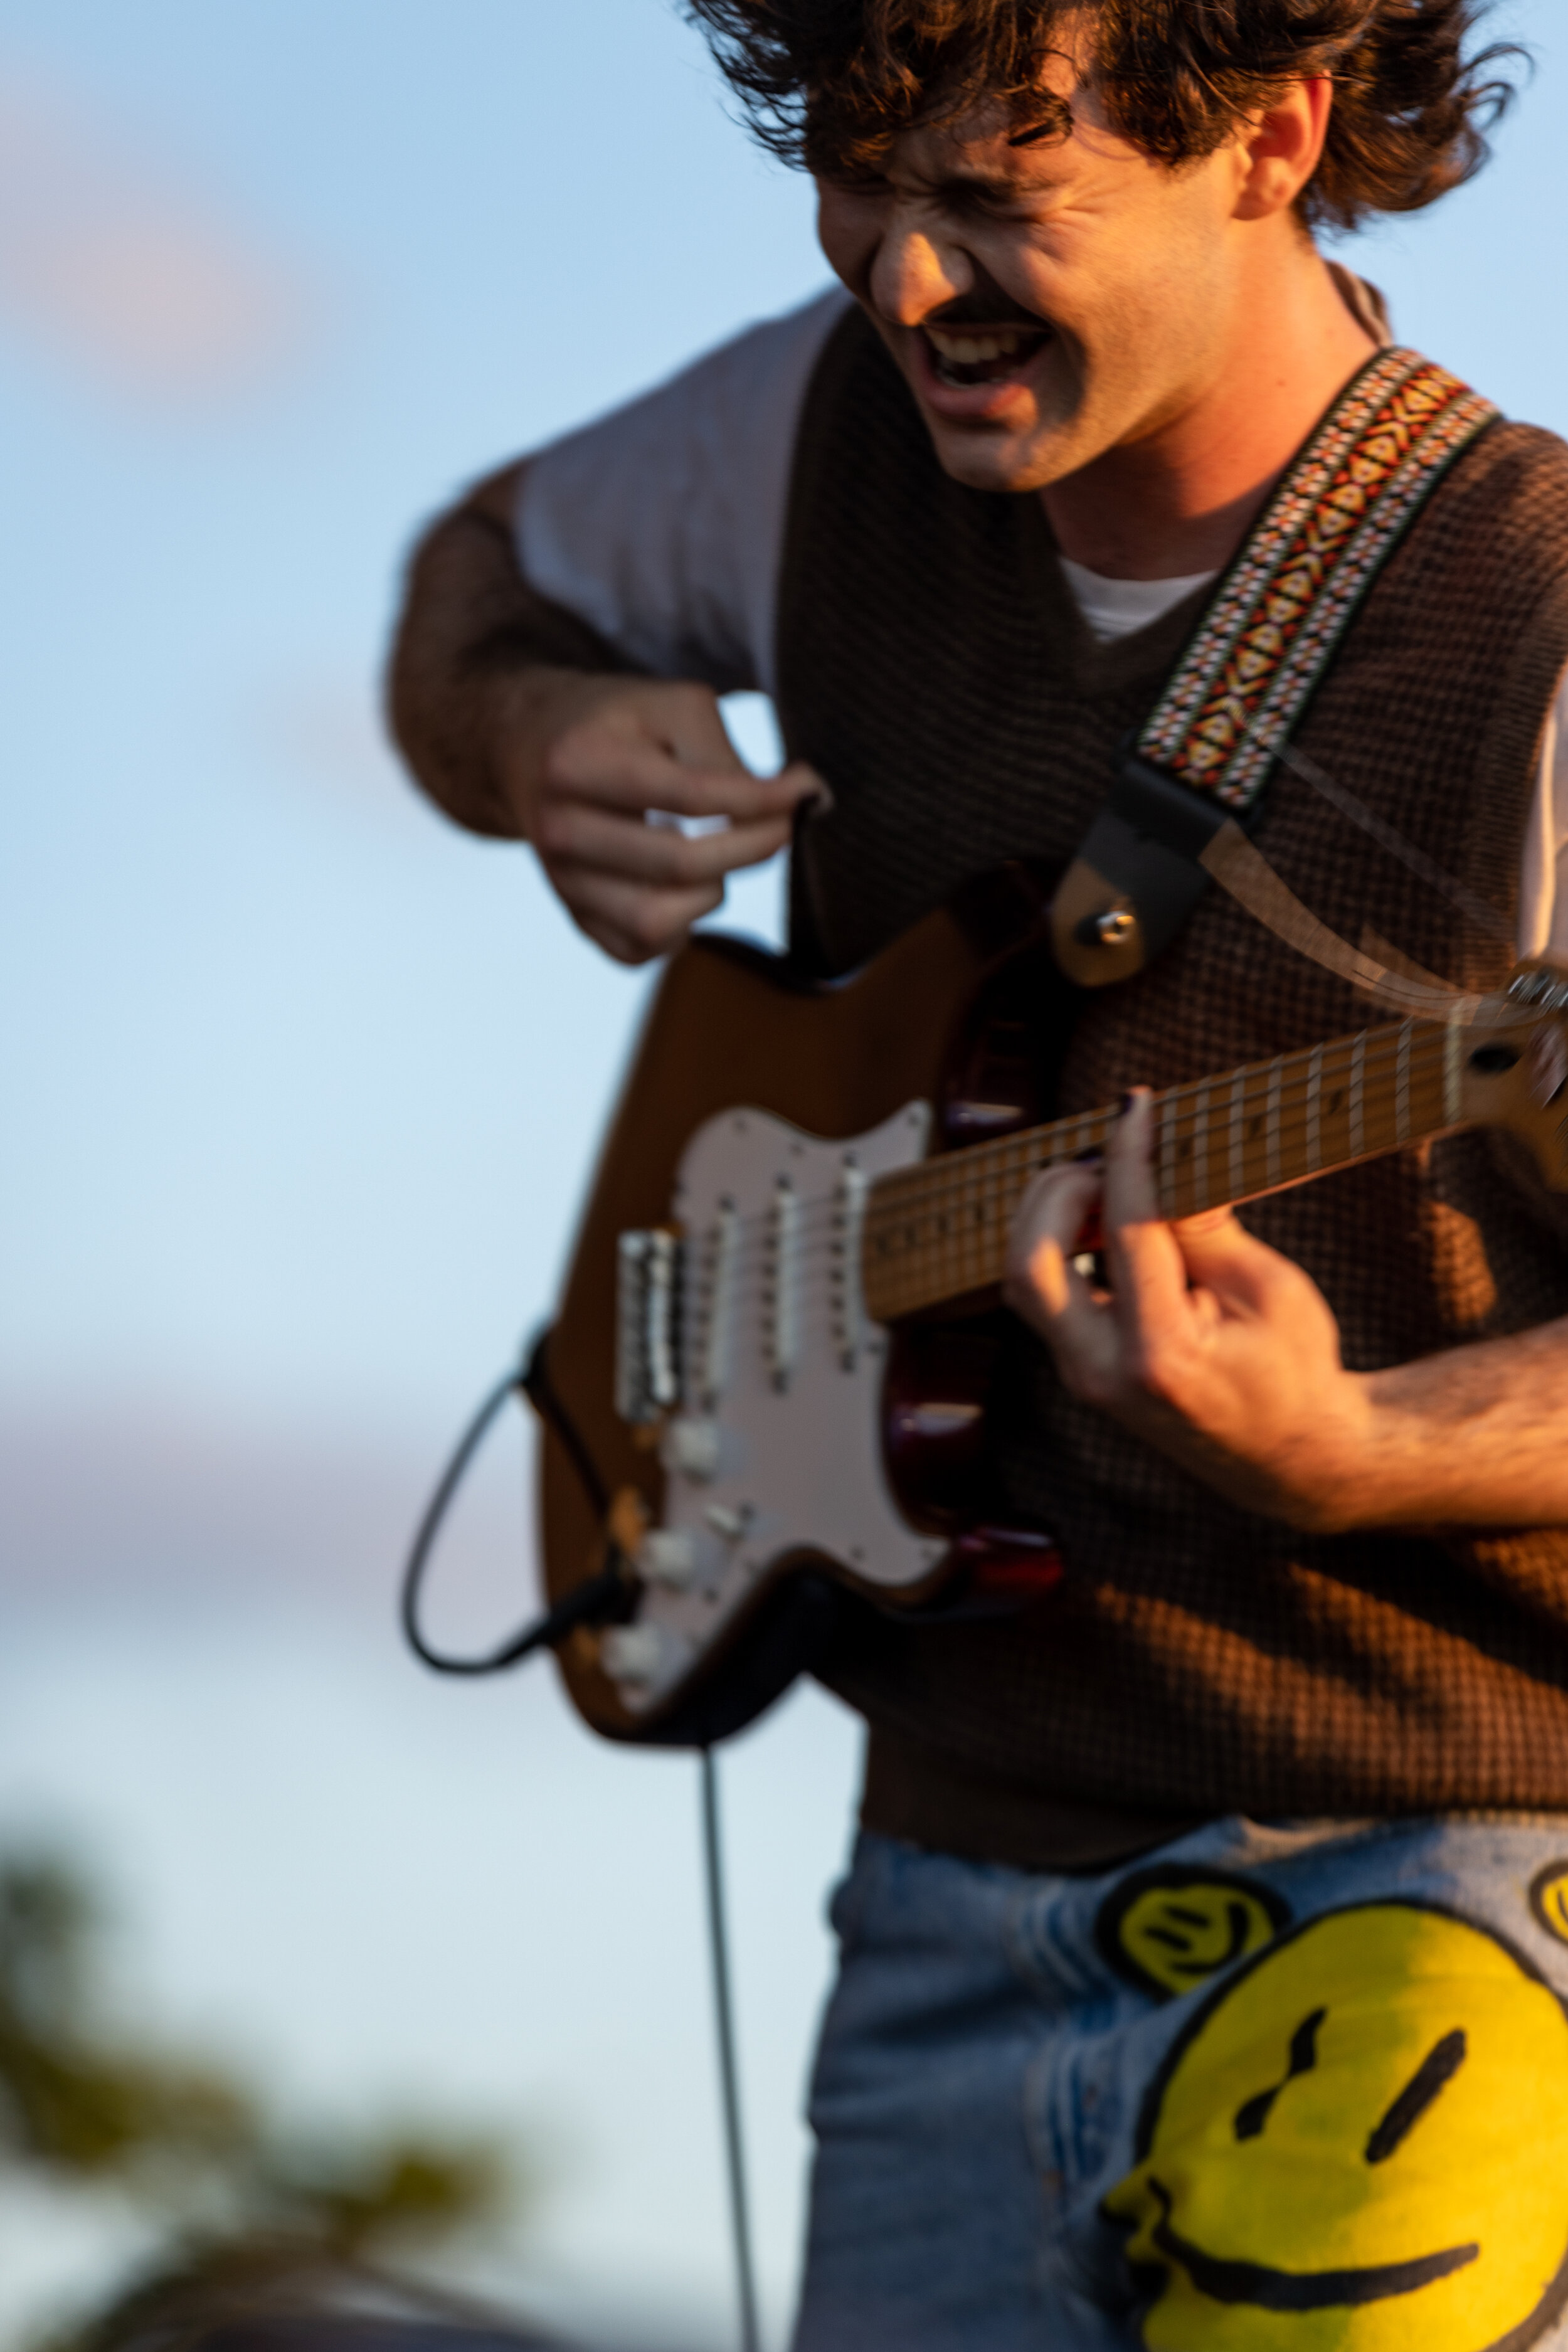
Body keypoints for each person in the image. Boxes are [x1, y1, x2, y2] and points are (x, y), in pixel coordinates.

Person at [388, 4, 1568, 2344]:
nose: (902, 287)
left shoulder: (1535, 624)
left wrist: (1354, 1449)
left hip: (1439, 1909)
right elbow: (465, 585)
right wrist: (529, 729)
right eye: (855, 181)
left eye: (998, 204)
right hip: (935, 1895)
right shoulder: (810, 438)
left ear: (1273, 132)